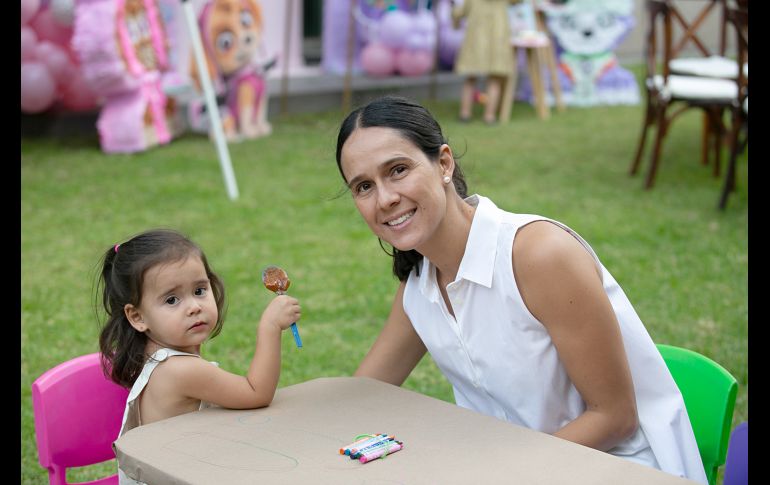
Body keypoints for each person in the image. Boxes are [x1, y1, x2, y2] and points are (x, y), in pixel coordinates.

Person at [334, 95, 707, 484]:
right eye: (364, 186)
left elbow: (614, 418)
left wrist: (499, 474)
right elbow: (362, 397)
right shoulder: (420, 288)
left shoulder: (540, 255)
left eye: (397, 170)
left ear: (444, 163)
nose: (385, 198)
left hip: (619, 469)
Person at [96, 228, 301, 484]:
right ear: (137, 317)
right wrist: (270, 326)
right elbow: (256, 394)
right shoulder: (180, 370)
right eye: (172, 300)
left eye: (199, 290)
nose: (194, 307)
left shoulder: (152, 353)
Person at [452, 0, 520, 124]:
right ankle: (489, 116)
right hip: (497, 41)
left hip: (476, 40)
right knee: (494, 79)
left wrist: (454, 16)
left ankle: (465, 114)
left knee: (470, 78)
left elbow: (460, 12)